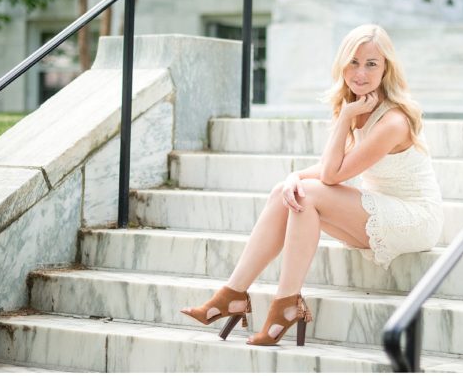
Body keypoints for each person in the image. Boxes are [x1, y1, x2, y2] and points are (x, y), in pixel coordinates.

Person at [179, 24, 444, 346]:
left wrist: (345, 119)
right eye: (354, 62)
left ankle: (285, 303)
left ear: (387, 67)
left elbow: (333, 176)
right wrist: (293, 177)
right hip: (378, 207)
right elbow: (333, 168)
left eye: (371, 64)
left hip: (413, 217)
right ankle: (232, 295)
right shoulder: (360, 106)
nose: (361, 73)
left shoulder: (393, 121)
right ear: (342, 65)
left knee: (306, 195)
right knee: (284, 192)